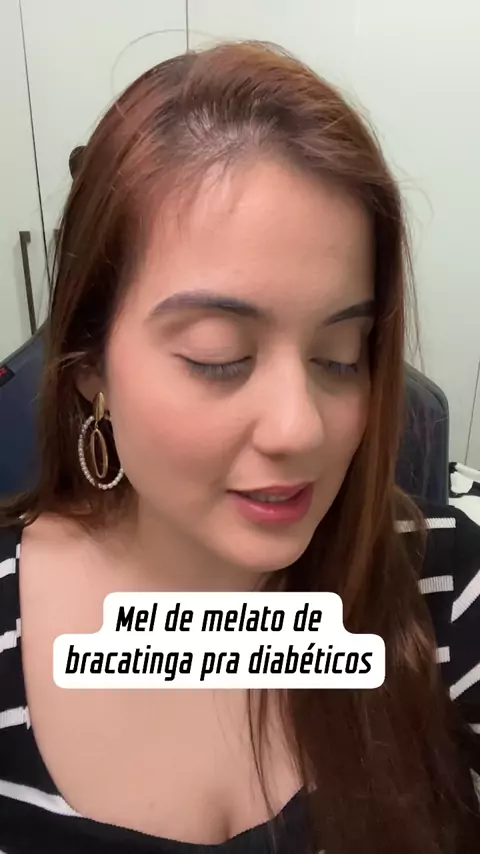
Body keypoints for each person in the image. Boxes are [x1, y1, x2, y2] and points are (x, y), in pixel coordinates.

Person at [0, 41, 479, 854]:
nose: (300, 429)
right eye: (218, 356)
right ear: (90, 370)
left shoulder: (443, 585)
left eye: (340, 357)